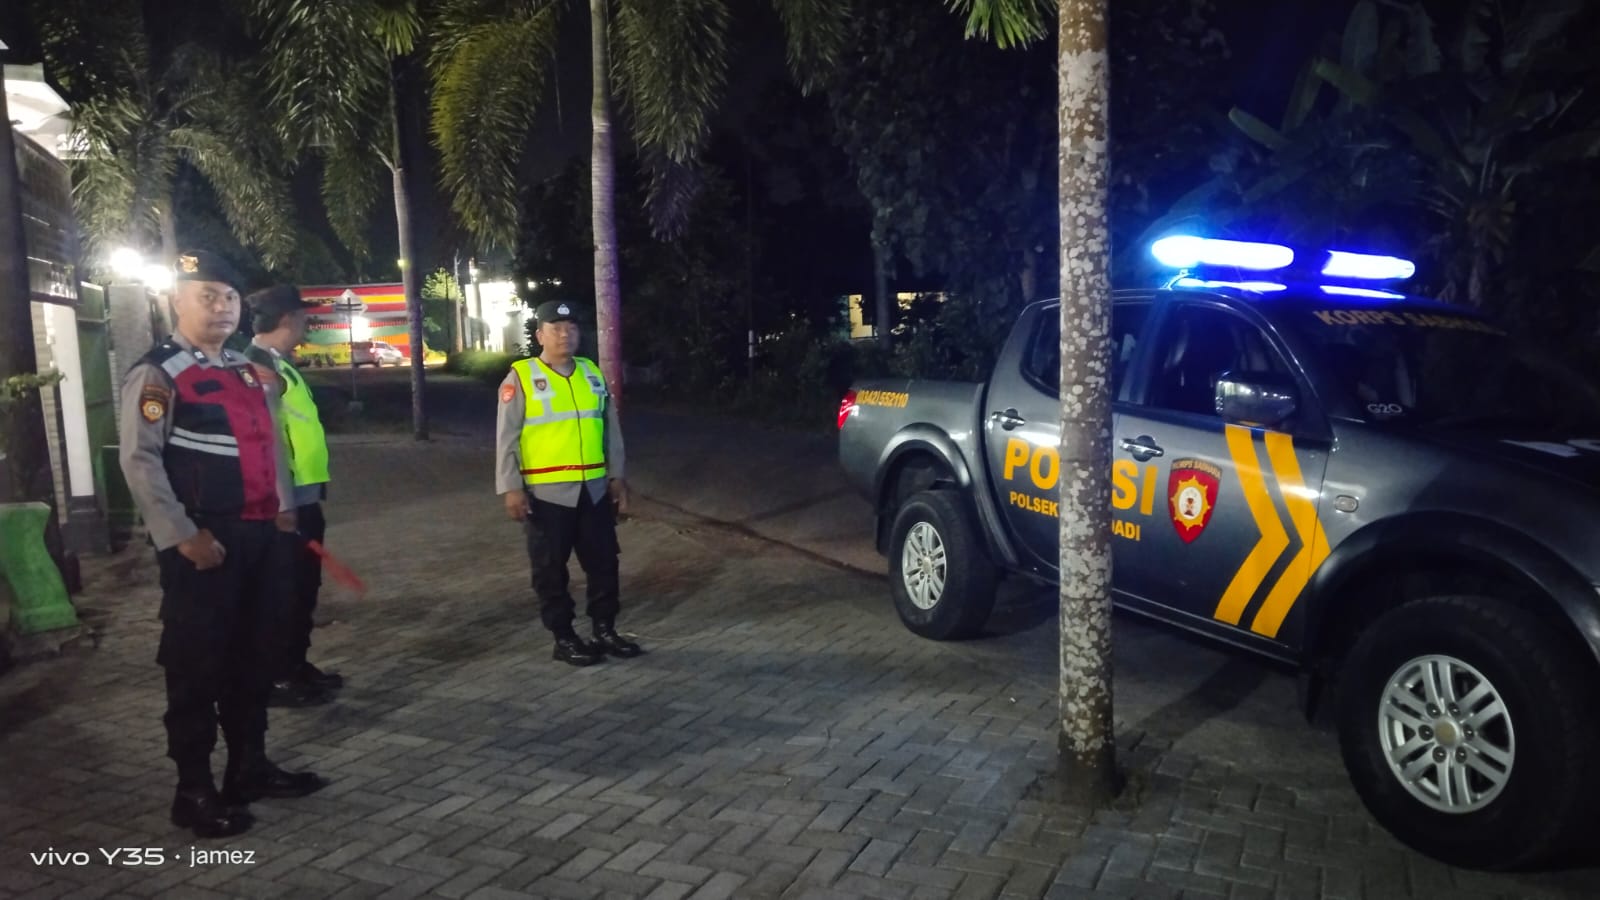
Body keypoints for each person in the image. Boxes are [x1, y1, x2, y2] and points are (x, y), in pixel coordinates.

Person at [118, 250, 326, 839]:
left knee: (255, 658)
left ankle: (248, 768)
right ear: (175, 302)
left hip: (260, 537)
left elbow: (270, 444)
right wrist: (182, 536)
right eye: (206, 295)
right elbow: (140, 460)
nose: (221, 307)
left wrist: (282, 508)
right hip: (204, 542)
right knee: (196, 667)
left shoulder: (244, 369)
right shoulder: (158, 373)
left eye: (229, 297)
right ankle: (193, 791)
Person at [496, 300, 641, 666]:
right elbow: (507, 438)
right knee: (550, 570)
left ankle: (604, 629)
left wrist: (616, 476)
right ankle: (563, 637)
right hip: (547, 496)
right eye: (556, 328)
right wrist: (511, 487)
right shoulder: (521, 377)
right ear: (540, 335)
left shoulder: (591, 373)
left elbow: (610, 431)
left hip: (593, 490)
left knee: (604, 563)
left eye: (571, 328)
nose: (565, 334)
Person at [244, 284, 342, 706]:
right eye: (303, 316)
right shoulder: (257, 367)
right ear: (287, 319)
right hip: (284, 505)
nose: (307, 323)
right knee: (283, 592)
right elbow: (263, 442)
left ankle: (296, 665)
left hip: (303, 497)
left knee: (304, 588)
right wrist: (281, 503)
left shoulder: (281, 364)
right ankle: (278, 677)